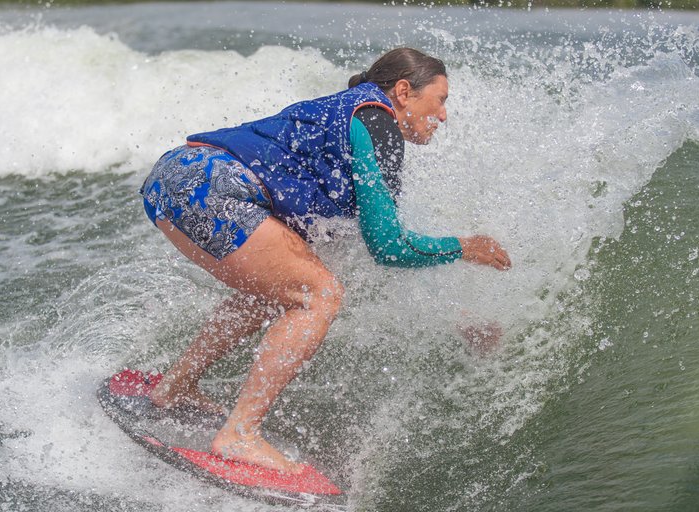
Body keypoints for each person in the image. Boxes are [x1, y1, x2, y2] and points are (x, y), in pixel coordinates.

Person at [140, 48, 511, 475]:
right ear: (405, 91)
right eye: (441, 100)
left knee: (283, 290)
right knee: (319, 295)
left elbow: (365, 256)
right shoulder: (378, 121)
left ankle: (175, 387)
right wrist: (464, 247)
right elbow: (388, 247)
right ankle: (239, 435)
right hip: (212, 186)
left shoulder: (349, 118)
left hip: (173, 177)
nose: (443, 115)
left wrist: (455, 317)